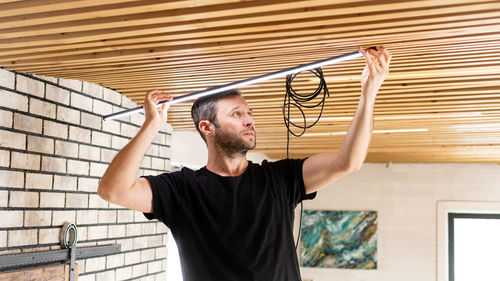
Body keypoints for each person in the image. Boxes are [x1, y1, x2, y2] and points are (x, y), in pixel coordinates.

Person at [98, 46, 391, 281]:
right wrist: (152, 125)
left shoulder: (280, 178)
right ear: (207, 128)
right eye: (237, 114)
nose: (250, 120)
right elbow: (113, 190)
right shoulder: (181, 189)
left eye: (248, 113)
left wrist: (369, 93)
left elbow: (347, 162)